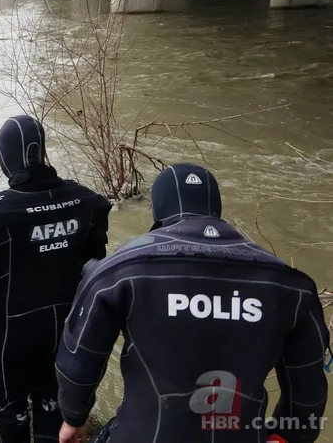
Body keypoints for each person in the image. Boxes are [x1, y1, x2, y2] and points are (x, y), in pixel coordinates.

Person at [55, 163, 330, 443]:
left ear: (158, 209)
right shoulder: (288, 284)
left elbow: (80, 357)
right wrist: (285, 437)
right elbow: (307, 390)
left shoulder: (121, 270)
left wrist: (74, 418)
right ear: (215, 207)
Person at [0, 115, 112, 443]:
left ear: (5, 158)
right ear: (41, 151)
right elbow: (95, 264)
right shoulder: (86, 201)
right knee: (52, 402)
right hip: (66, 328)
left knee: (11, 409)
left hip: (12, 333)